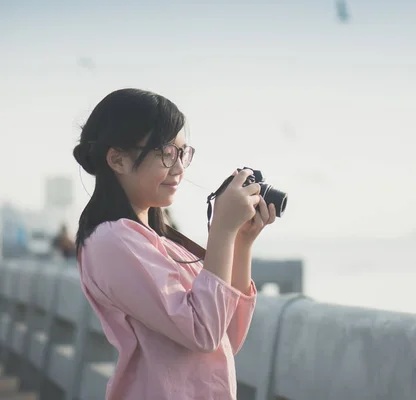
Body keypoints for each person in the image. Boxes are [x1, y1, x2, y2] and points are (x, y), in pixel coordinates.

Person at [73, 88, 277, 399]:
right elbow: (203, 332)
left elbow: (225, 337)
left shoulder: (160, 241)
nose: (180, 168)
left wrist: (240, 240)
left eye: (183, 153)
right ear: (117, 159)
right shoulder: (112, 241)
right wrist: (221, 231)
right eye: (167, 153)